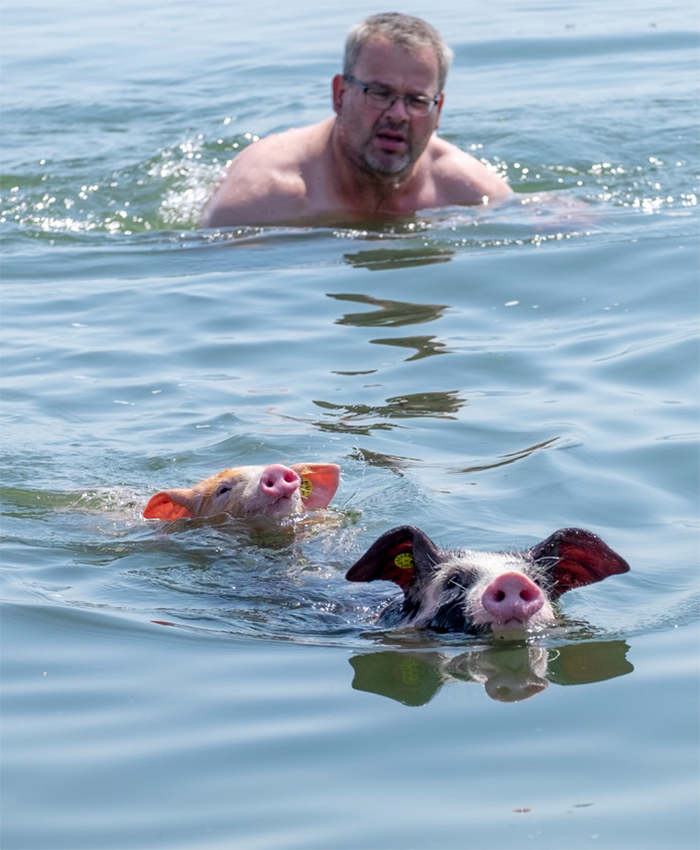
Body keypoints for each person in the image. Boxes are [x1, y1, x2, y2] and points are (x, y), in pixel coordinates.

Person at [201, 12, 512, 228]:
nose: (397, 114)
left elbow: (536, 217)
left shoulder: (466, 189)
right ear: (340, 95)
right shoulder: (267, 194)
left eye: (417, 101)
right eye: (379, 93)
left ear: (438, 110)